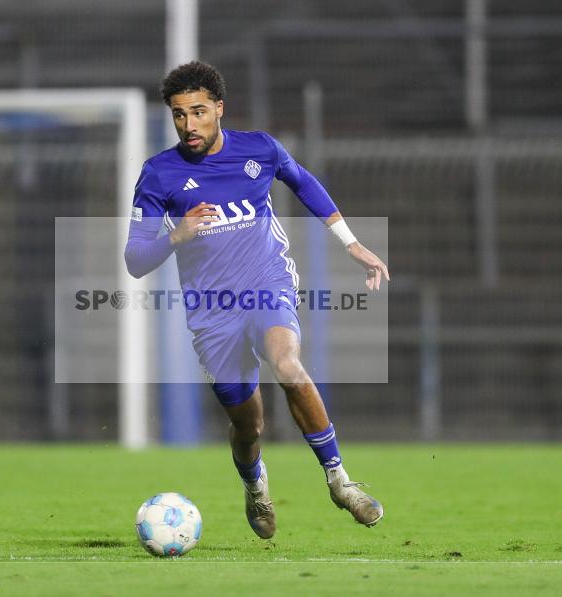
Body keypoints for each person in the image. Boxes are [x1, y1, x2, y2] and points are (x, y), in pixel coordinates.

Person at [124, 61, 390, 539]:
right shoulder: (159, 174)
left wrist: (350, 242)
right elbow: (135, 259)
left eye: (198, 112)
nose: (189, 125)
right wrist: (176, 236)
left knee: (288, 366)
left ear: (219, 109)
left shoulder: (259, 150)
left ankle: (339, 481)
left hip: (266, 283)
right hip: (211, 312)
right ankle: (255, 486)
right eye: (179, 115)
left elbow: (303, 182)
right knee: (249, 426)